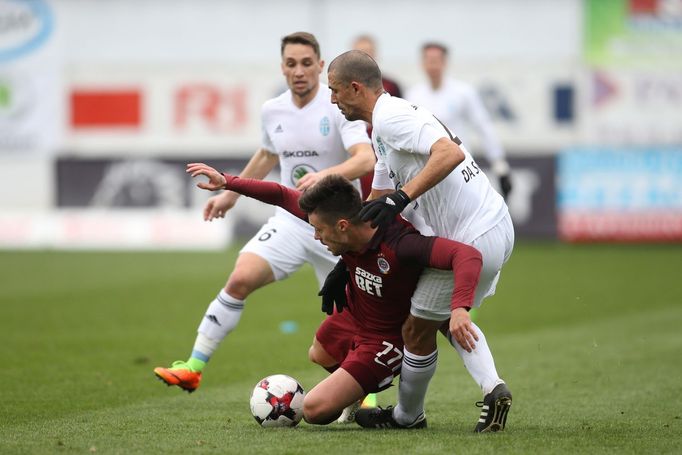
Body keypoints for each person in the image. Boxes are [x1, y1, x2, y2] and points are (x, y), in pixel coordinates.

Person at [153, 32, 375, 393]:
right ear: (283, 68)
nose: (299, 71)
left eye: (306, 63)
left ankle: (367, 396)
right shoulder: (273, 110)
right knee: (240, 279)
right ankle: (193, 366)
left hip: (336, 229)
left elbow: (365, 158)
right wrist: (231, 193)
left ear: (320, 66)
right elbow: (268, 154)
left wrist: (326, 176)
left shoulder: (338, 106)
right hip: (290, 220)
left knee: (352, 321)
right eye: (291, 64)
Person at [185, 163, 484, 426]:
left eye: (319, 231)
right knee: (319, 352)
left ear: (342, 226)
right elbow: (278, 193)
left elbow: (466, 255)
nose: (316, 237)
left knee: (314, 411)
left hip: (385, 338)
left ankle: (374, 381)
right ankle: (357, 388)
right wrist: (227, 182)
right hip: (356, 315)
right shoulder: (341, 224)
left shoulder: (400, 244)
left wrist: (460, 308)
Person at [326, 50, 514, 432]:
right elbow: (376, 202)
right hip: (491, 226)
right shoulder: (382, 128)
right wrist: (345, 258)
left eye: (334, 91)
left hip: (473, 234)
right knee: (443, 319)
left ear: (355, 88)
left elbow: (450, 152)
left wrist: (404, 196)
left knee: (415, 327)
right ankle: (493, 388)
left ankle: (407, 416)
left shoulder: (391, 117)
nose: (332, 100)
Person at [406, 42, 512, 200]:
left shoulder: (463, 93)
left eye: (436, 60)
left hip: (460, 167)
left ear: (445, 62)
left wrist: (500, 165)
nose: (433, 65)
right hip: (427, 171)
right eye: (429, 60)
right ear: (422, 63)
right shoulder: (414, 95)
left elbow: (483, 126)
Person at [351, 35, 403, 201]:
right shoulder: (342, 87)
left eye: (369, 53)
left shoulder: (391, 86)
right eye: (360, 53)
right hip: (357, 154)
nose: (365, 58)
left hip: (385, 153)